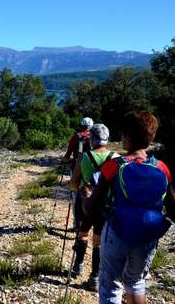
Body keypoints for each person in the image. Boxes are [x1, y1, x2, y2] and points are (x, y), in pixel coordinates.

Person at [82, 111, 175, 304]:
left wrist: (86, 196)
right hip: (148, 235)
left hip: (118, 232)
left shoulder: (114, 165)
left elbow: (90, 208)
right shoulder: (161, 168)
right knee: (136, 281)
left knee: (110, 285)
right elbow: (173, 209)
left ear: (127, 136)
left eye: (123, 133)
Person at [69, 123, 118, 291]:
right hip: (106, 205)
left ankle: (78, 265)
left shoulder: (84, 157)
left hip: (86, 202)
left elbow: (74, 184)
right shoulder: (116, 158)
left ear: (92, 139)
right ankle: (95, 276)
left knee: (82, 234)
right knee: (98, 241)